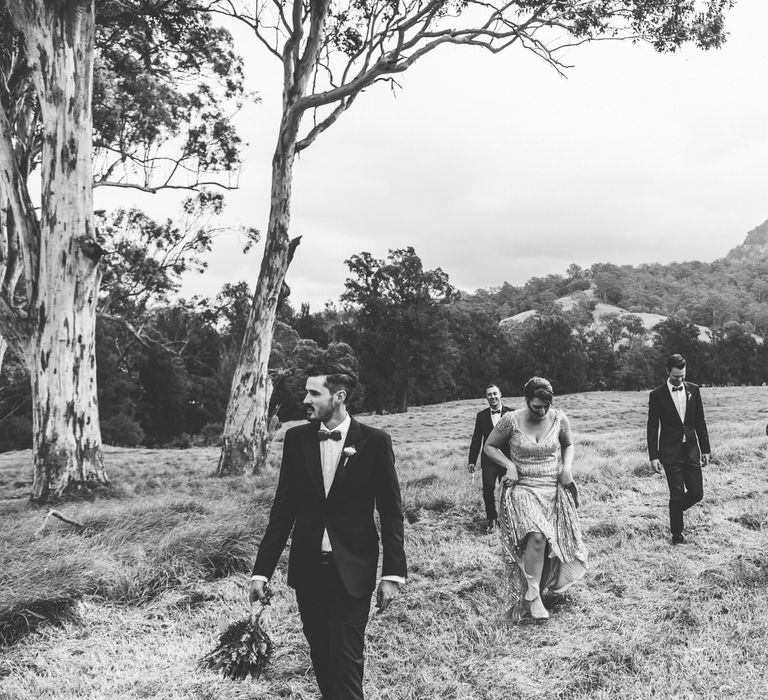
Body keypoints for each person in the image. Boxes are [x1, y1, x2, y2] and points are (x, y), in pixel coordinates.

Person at [250, 362, 407, 700]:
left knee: (348, 656)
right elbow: (283, 510)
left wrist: (393, 573)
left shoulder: (375, 442)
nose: (306, 399)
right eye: (306, 392)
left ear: (339, 396)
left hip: (353, 567)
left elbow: (392, 512)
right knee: (321, 653)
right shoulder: (296, 439)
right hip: (308, 568)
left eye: (313, 393)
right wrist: (261, 572)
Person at [484, 377, 587, 621]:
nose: (541, 411)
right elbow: (489, 446)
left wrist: (567, 468)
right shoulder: (511, 420)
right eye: (536, 406)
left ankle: (537, 589)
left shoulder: (559, 418)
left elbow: (568, 445)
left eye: (546, 406)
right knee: (537, 535)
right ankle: (533, 596)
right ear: (527, 401)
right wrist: (509, 465)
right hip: (523, 488)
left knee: (551, 544)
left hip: (552, 489)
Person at [647, 353, 711, 545]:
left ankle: (675, 511)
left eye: (683, 375)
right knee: (676, 494)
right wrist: (653, 456)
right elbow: (652, 427)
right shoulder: (656, 395)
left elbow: (700, 421)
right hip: (669, 451)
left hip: (691, 449)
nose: (680, 379)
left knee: (697, 493)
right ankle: (677, 535)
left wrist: (706, 449)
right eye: (676, 376)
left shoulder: (694, 390)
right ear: (668, 372)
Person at [467, 384, 513, 533]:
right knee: (488, 488)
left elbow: (518, 438)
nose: (492, 397)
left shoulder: (512, 413)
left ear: (500, 394)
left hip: (507, 460)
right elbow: (476, 439)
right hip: (488, 460)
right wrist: (472, 461)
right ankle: (492, 519)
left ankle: (508, 519)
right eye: (489, 395)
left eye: (495, 393)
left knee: (507, 490)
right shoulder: (481, 416)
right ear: (486, 397)